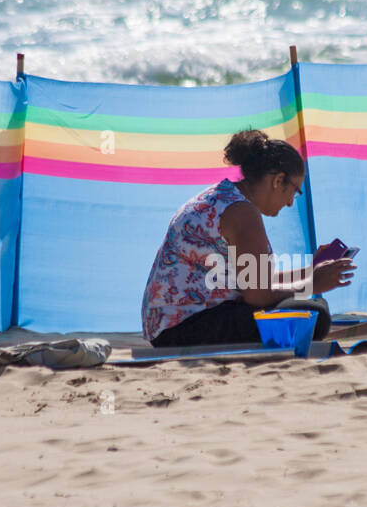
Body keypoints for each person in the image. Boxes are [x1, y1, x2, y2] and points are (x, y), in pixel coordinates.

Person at [141, 129, 355, 347]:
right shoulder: (241, 212)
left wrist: (309, 271)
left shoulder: (225, 197)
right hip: (185, 327)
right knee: (316, 313)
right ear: (278, 180)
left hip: (170, 325)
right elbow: (259, 295)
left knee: (310, 310)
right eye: (295, 191)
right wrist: (311, 283)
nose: (291, 202)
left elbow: (256, 282)